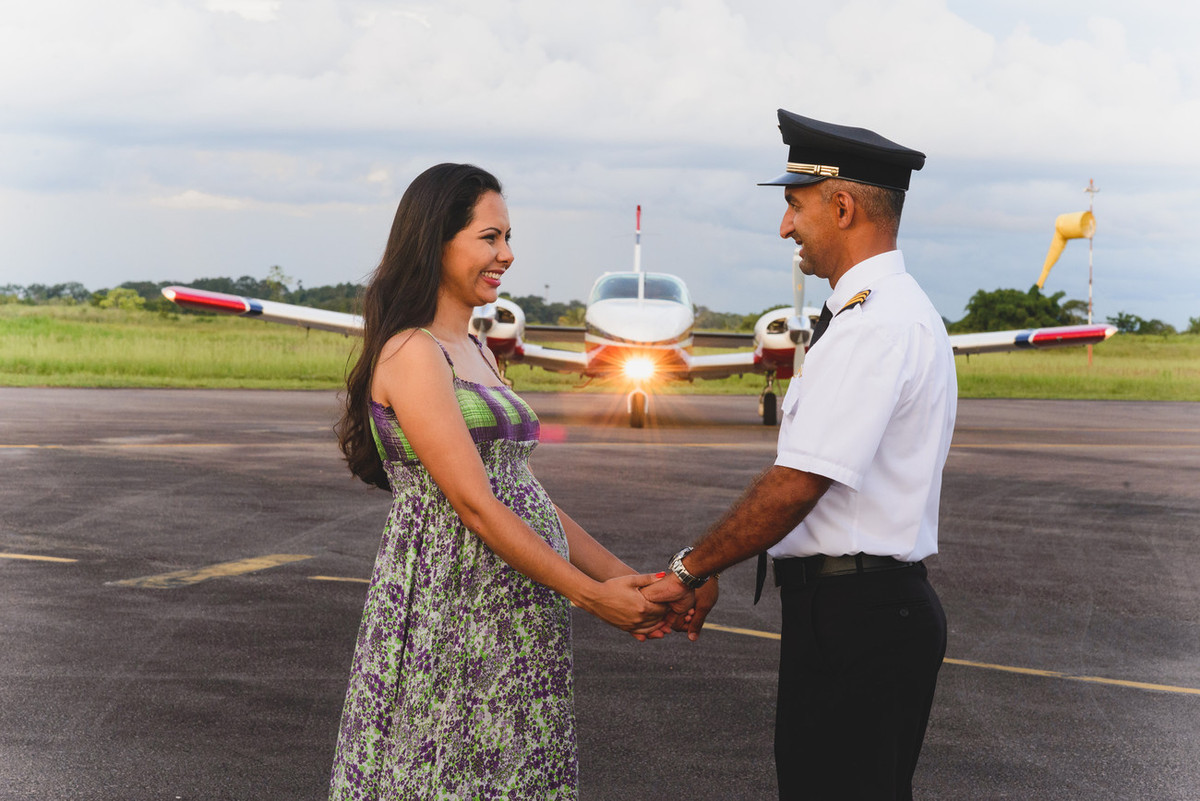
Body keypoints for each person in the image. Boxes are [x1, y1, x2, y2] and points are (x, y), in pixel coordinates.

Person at [328, 163, 669, 800]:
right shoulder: (413, 352)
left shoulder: (478, 350)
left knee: (512, 770)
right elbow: (475, 504)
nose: (506, 255)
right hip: (453, 608)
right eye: (490, 238)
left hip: (515, 604)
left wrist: (628, 579)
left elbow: (521, 492)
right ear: (435, 241)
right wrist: (590, 597)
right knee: (448, 772)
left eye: (508, 238)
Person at [644, 110, 957, 800]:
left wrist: (690, 569)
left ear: (842, 207)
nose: (785, 227)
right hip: (862, 610)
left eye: (795, 205)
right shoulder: (888, 311)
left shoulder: (874, 326)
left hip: (857, 618)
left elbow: (795, 485)